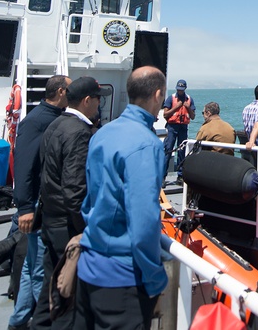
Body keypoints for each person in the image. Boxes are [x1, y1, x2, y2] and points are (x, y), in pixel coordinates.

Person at [75, 66, 168, 330]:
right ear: (158, 94)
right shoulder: (146, 144)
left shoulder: (103, 133)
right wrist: (155, 277)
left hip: (89, 266)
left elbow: (90, 198)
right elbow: (143, 223)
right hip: (122, 280)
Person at [30, 77, 109, 329]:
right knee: (69, 294)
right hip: (66, 226)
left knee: (50, 285)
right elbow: (74, 189)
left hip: (50, 219)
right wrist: (85, 230)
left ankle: (39, 324)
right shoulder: (79, 133)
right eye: (98, 99)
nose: (99, 105)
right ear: (87, 100)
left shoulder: (56, 124)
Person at [10, 75, 71, 330]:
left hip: (38, 202)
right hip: (35, 204)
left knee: (29, 264)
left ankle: (19, 319)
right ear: (60, 91)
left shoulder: (51, 118)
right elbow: (24, 165)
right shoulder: (36, 122)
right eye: (70, 89)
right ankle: (42, 323)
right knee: (39, 268)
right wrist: (24, 207)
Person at [162, 80, 195, 177]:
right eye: (178, 89)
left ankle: (180, 175)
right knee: (168, 150)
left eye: (181, 89)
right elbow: (165, 114)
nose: (180, 91)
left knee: (182, 151)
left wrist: (188, 108)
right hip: (172, 126)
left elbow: (193, 116)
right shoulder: (171, 98)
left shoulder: (189, 99)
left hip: (183, 127)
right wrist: (176, 107)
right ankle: (163, 175)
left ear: (185, 89)